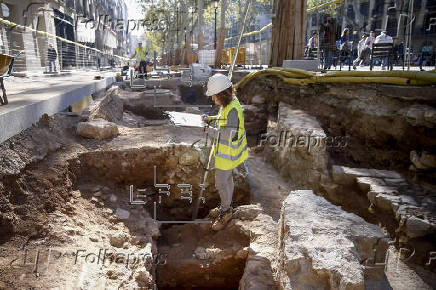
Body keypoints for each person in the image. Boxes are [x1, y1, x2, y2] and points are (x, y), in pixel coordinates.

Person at [201, 74, 249, 231]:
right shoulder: (229, 105)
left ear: (222, 94)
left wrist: (210, 131)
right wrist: (211, 119)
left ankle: (226, 211)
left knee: (221, 183)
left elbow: (229, 133)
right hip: (226, 153)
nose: (213, 99)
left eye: (214, 96)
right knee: (227, 180)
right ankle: (225, 206)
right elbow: (223, 119)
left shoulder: (233, 109)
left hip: (227, 154)